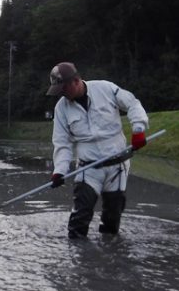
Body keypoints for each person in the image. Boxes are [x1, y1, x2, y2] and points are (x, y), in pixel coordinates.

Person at [46, 62, 148, 238]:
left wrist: (138, 130)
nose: (61, 94)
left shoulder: (105, 88)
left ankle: (109, 255)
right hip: (88, 169)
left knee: (112, 218)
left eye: (63, 89)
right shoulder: (61, 108)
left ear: (76, 81)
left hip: (118, 166)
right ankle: (79, 259)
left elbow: (132, 103)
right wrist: (59, 171)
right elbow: (62, 143)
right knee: (79, 219)